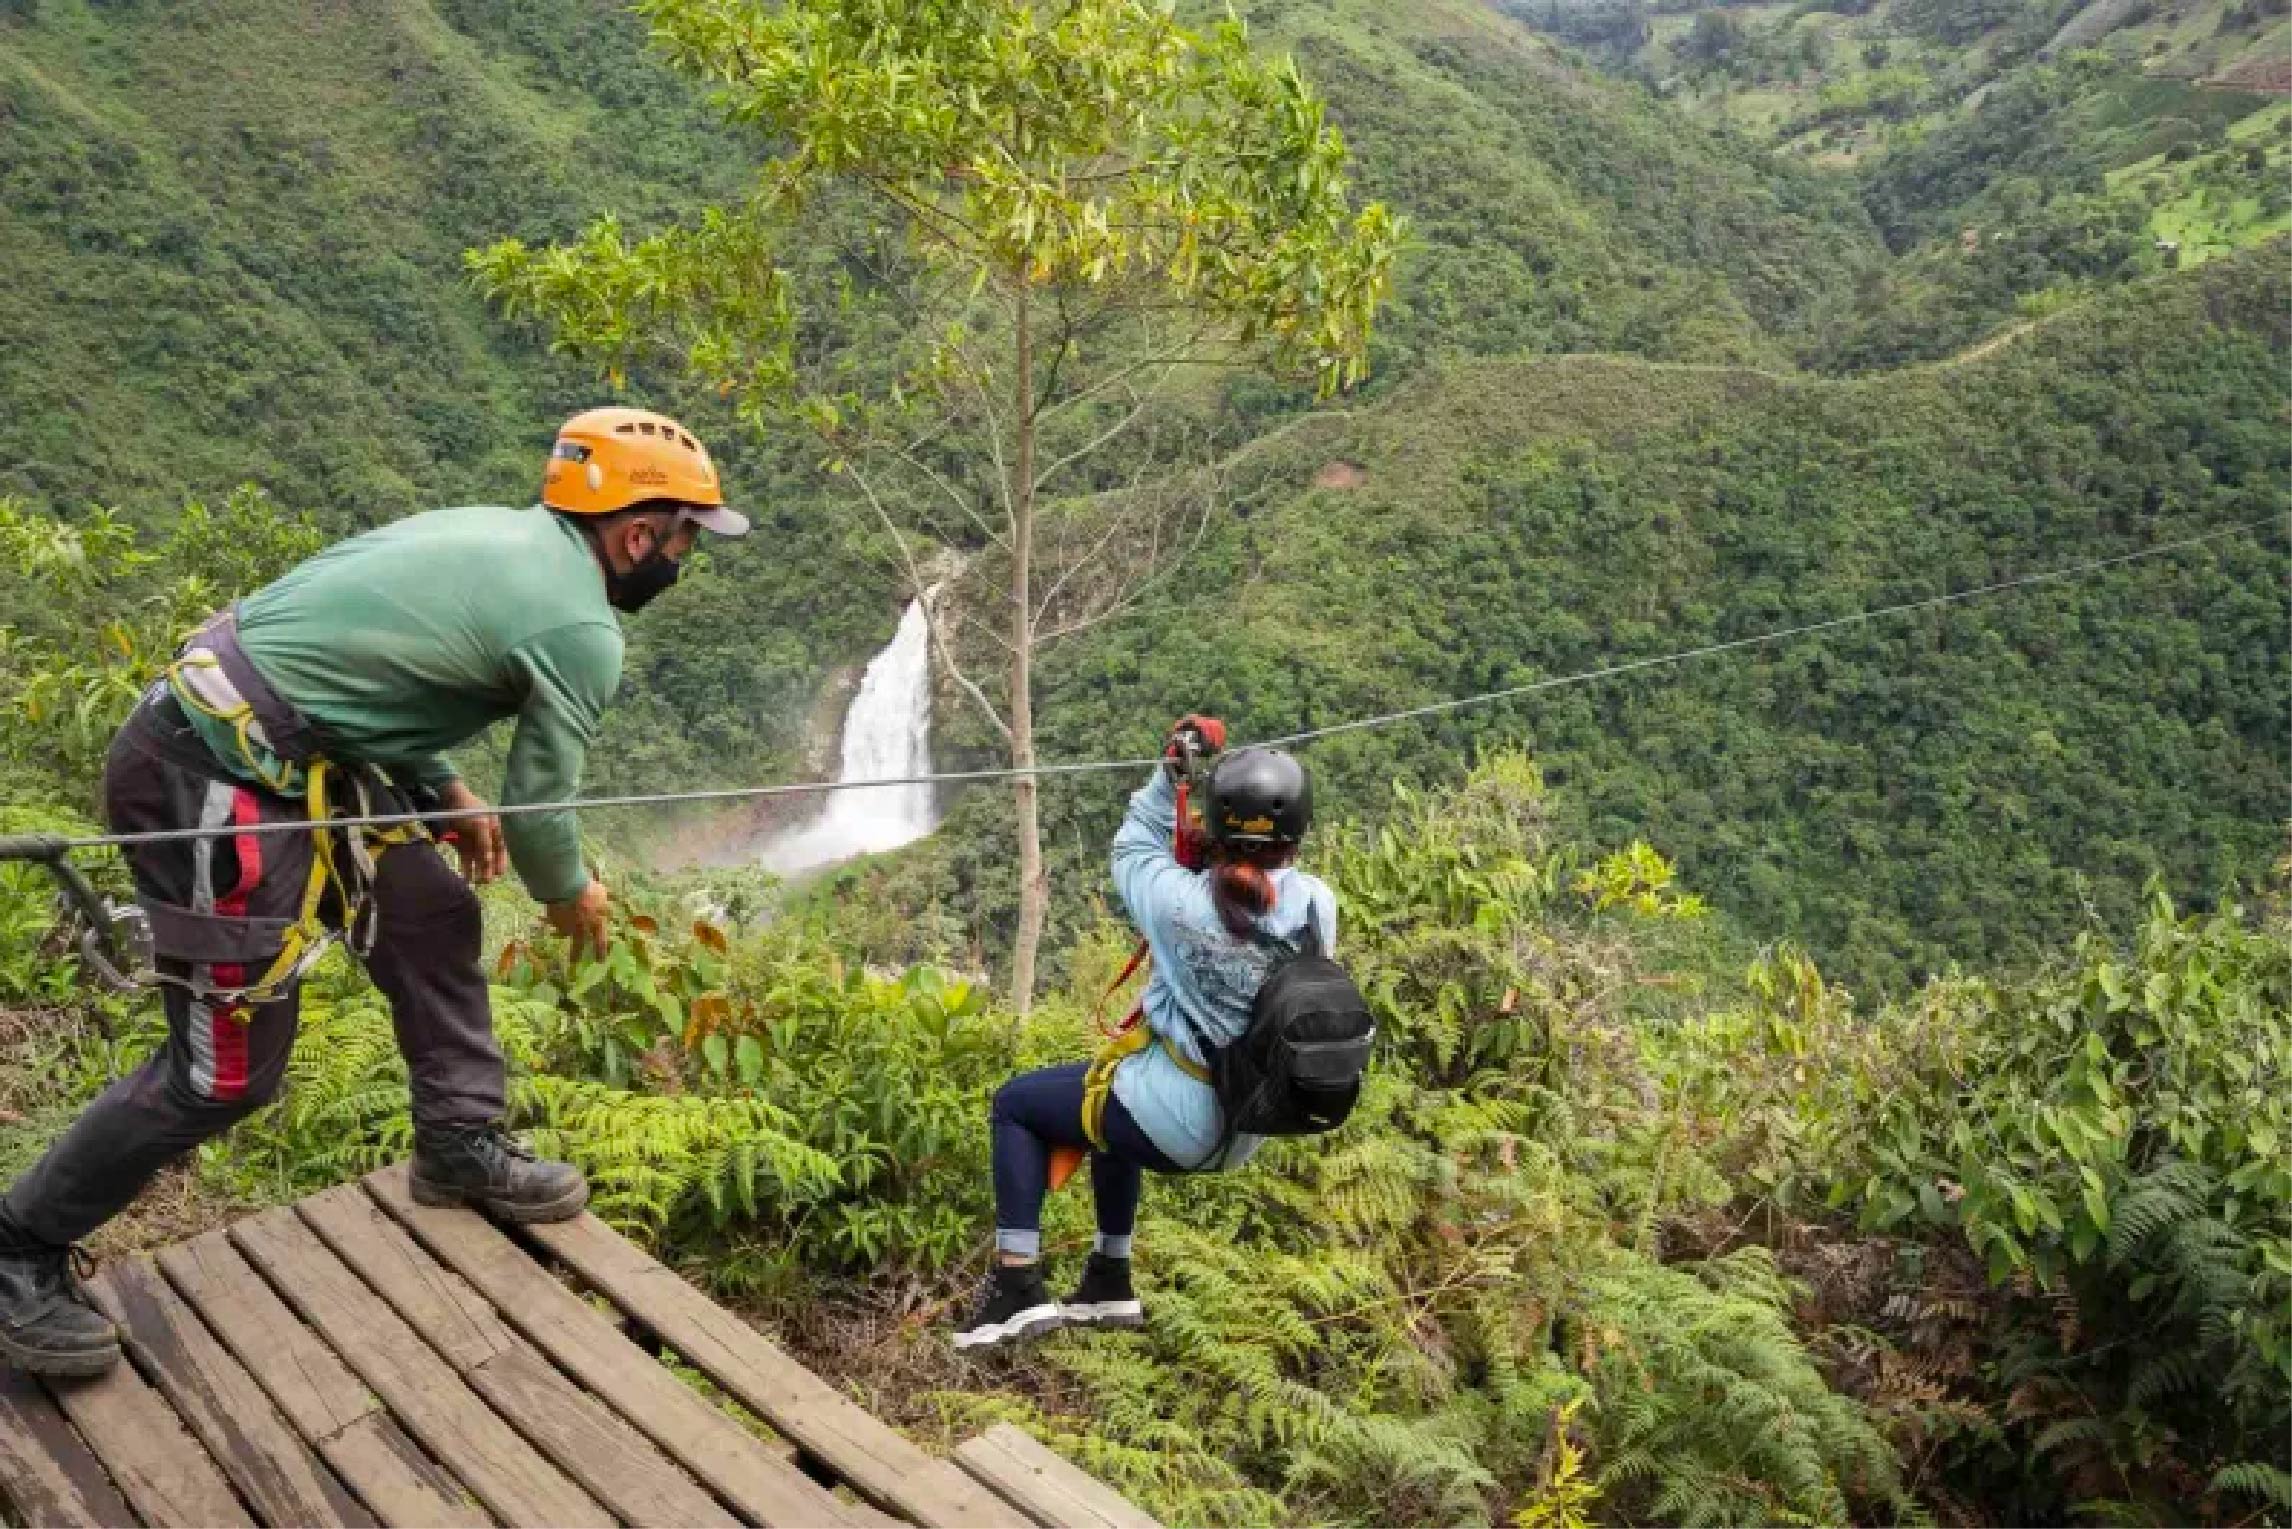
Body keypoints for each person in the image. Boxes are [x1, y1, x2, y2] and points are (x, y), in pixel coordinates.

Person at [0, 407, 748, 1377]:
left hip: (290, 751)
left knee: (432, 912)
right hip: (209, 773)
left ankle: (457, 1139)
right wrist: (572, 895)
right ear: (637, 534)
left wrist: (440, 787)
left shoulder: (496, 532)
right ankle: (18, 1246)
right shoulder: (577, 624)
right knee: (225, 1070)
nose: (686, 558)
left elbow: (361, 667)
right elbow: (540, 813)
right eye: (686, 535)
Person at [954, 716, 1336, 1350]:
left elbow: (1134, 846)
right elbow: (1264, 893)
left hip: (1177, 1118)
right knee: (1111, 1099)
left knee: (1017, 1104)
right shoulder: (1319, 905)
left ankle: (1015, 1288)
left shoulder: (1177, 904)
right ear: (1296, 834)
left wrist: (1171, 776)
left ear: (1217, 826)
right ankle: (1109, 1279)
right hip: (1248, 1123)